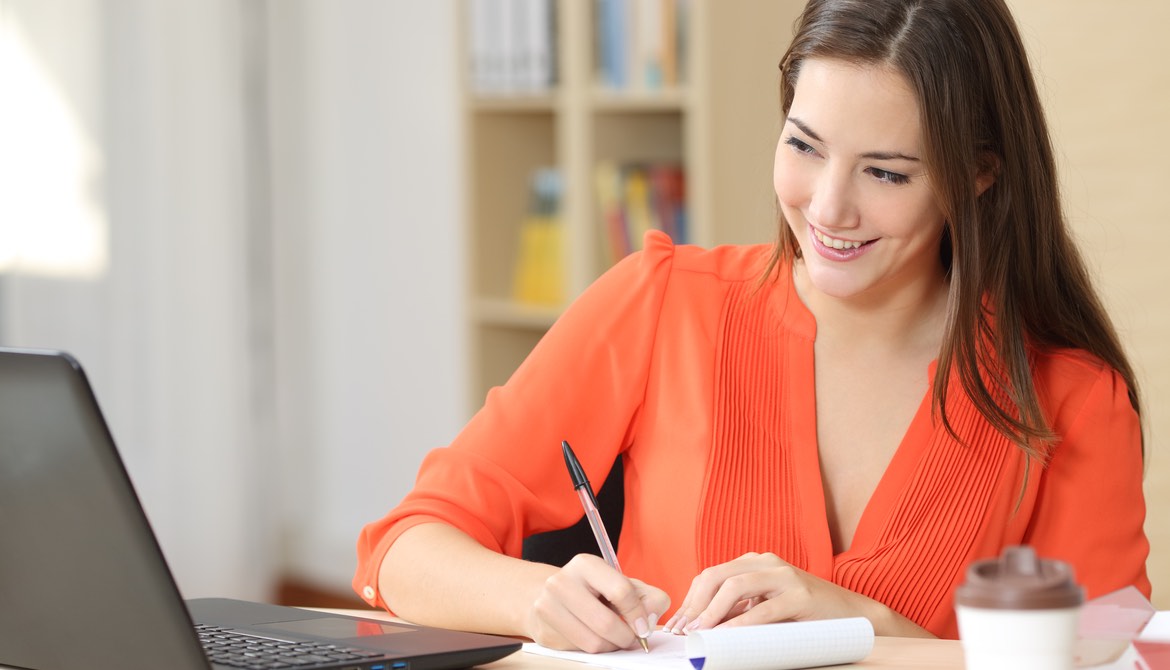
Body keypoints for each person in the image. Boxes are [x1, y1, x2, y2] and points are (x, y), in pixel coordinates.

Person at [353, 0, 1150, 651]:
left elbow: (1111, 660)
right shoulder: (662, 304)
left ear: (979, 174)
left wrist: (864, 626)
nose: (827, 207)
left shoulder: (1071, 400)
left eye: (885, 172)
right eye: (804, 146)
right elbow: (402, 548)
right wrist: (538, 597)